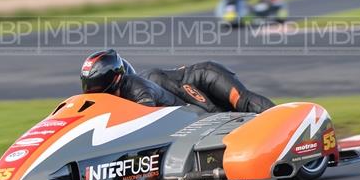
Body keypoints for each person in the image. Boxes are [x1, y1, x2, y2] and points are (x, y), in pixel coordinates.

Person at [80, 50, 275, 114]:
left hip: (204, 77)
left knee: (241, 102)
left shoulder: (149, 81)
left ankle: (285, 121)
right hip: (186, 92)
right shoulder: (120, 96)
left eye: (96, 85)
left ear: (114, 79)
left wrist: (214, 115)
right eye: (89, 86)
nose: (92, 91)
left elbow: (186, 92)